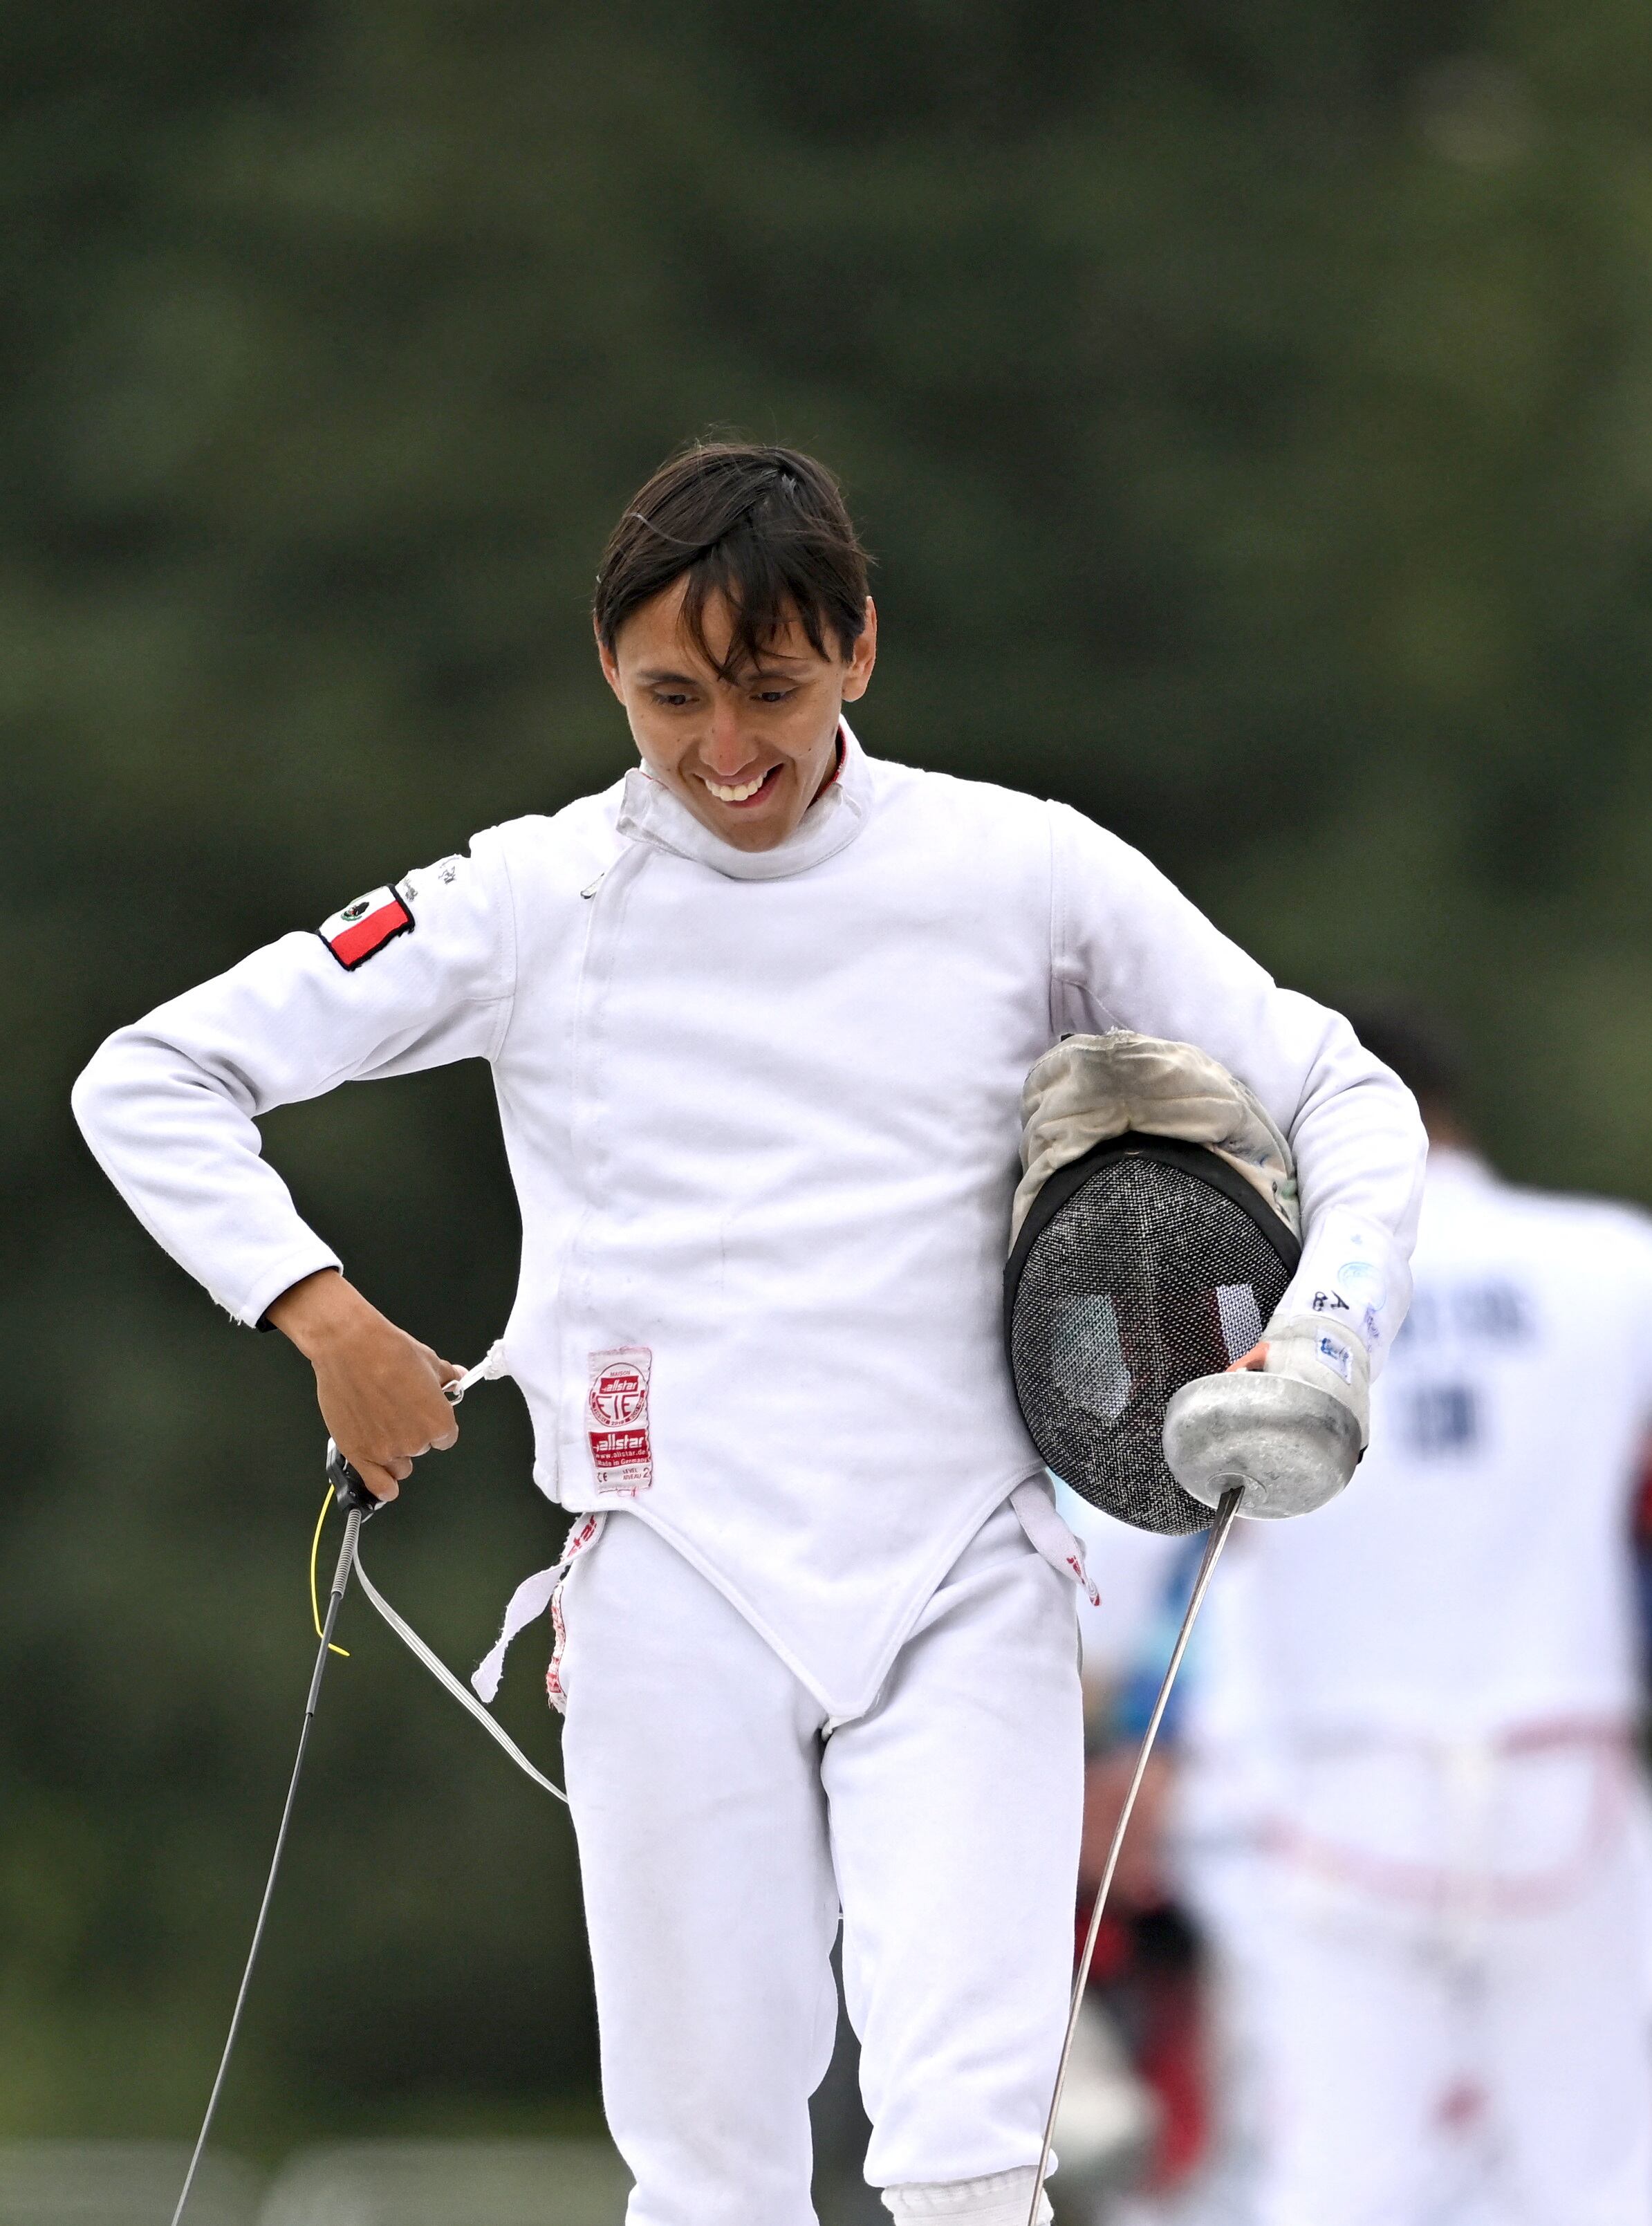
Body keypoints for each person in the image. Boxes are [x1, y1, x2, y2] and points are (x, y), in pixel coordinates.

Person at [71, 444, 1427, 2226]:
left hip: (960, 1568)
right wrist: (320, 1310)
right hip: (667, 1579)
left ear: (858, 647)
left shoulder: (1024, 869)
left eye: (773, 690)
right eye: (671, 697)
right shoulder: (528, 896)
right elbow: (152, 1074)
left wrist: (1321, 1334)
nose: (726, 752)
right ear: (609, 678)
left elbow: (1344, 1091)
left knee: (965, 2161)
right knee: (707, 2174)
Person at [1075, 1009, 1652, 2226]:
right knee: (1594, 2196)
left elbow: (1110, 1542)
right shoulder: (1606, 1264)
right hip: (1558, 1803)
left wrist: (1086, 1735)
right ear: (1457, 1113)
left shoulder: (1241, 1297)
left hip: (1334, 1811)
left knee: (1338, 2198)